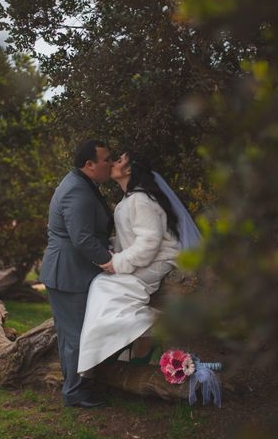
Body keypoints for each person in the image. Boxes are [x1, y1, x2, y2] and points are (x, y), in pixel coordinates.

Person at [77, 152, 201, 375]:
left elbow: (149, 241)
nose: (113, 163)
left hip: (159, 261)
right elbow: (133, 238)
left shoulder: (141, 199)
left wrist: (118, 263)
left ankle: (149, 327)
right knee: (102, 285)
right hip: (146, 258)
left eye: (119, 161)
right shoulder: (128, 200)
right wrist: (111, 250)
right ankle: (111, 348)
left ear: (129, 170)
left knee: (106, 287)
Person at [38, 139, 113, 408]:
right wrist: (110, 261)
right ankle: (73, 393)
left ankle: (80, 386)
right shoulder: (77, 191)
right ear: (89, 165)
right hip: (68, 273)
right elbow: (81, 238)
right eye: (106, 159)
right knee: (75, 336)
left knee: (77, 334)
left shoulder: (81, 183)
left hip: (74, 271)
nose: (111, 163)